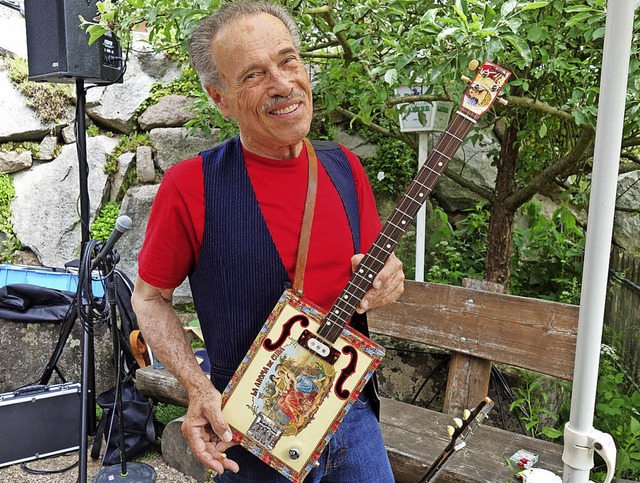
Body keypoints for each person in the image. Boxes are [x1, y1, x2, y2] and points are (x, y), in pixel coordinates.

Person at [131, 1, 405, 481]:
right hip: (250, 430)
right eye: (253, 75)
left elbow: (372, 271)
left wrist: (388, 279)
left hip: (352, 415)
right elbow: (149, 299)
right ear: (221, 99)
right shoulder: (189, 185)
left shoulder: (345, 168)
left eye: (288, 59)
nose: (282, 84)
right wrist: (196, 387)